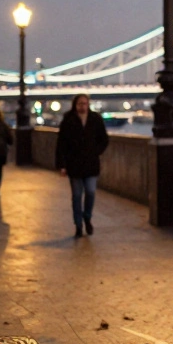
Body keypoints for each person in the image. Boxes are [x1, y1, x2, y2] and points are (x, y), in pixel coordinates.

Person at [54, 94, 109, 238]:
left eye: (85, 103)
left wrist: (96, 151)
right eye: (80, 104)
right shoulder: (68, 120)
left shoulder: (95, 119)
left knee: (90, 192)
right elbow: (61, 144)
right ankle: (78, 225)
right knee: (77, 196)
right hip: (74, 165)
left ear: (88, 104)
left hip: (91, 164)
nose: (82, 106)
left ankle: (87, 217)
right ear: (75, 105)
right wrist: (62, 165)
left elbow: (104, 139)